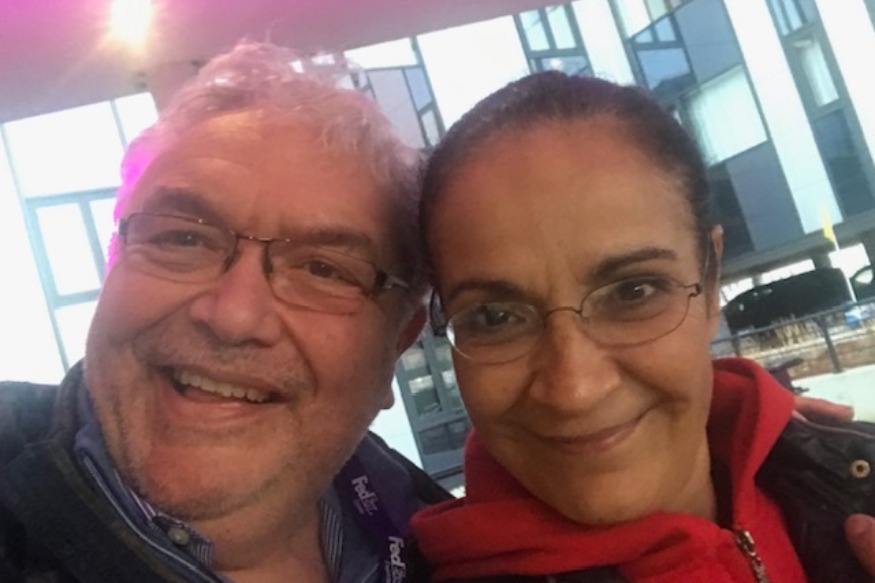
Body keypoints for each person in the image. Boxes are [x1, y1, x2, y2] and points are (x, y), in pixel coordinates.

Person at [0, 41, 451, 583]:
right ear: (113, 260)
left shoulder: (451, 543)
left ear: (396, 346)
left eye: (323, 269)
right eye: (184, 238)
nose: (234, 316)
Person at [411, 71, 875, 582]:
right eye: (496, 317)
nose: (575, 391)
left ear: (710, 280)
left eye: (633, 292)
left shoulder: (840, 469)